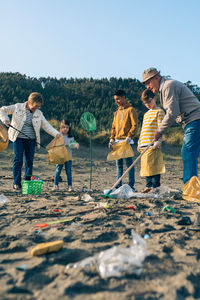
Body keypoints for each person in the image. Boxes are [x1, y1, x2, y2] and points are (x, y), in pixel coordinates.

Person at [142, 67, 200, 184]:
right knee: (191, 152)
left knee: (187, 152)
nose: (147, 86)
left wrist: (159, 131)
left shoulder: (168, 86)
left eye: (148, 82)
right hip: (192, 121)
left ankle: (190, 187)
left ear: (156, 77)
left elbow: (172, 112)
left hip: (195, 119)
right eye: (145, 84)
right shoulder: (165, 87)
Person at [0, 92, 60, 190]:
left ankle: (27, 184)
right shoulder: (17, 107)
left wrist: (58, 134)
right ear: (29, 102)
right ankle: (16, 183)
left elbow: (47, 126)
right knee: (18, 160)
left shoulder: (39, 114)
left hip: (31, 140)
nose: (36, 109)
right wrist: (5, 120)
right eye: (35, 106)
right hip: (18, 137)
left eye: (38, 107)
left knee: (29, 161)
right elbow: (2, 110)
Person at [109, 89, 138, 192]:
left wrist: (130, 136)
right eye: (115, 99)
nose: (116, 101)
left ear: (123, 97)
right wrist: (112, 138)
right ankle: (118, 185)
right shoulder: (116, 113)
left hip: (126, 141)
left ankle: (131, 185)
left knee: (129, 164)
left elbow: (135, 125)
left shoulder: (131, 110)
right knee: (119, 165)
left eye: (118, 99)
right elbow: (113, 127)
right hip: (117, 141)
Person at [138, 89, 165, 193]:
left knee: (154, 167)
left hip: (153, 143)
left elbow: (160, 128)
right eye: (145, 103)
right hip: (144, 144)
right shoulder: (146, 114)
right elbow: (143, 129)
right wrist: (139, 141)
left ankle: (155, 187)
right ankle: (148, 186)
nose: (147, 104)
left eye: (149, 101)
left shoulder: (159, 111)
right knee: (146, 167)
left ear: (154, 98)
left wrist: (158, 140)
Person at [53, 120, 79, 191]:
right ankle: (55, 185)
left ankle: (70, 186)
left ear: (69, 129)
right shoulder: (58, 136)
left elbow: (73, 144)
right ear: (61, 127)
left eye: (67, 127)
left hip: (68, 158)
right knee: (58, 171)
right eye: (63, 127)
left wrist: (76, 145)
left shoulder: (71, 137)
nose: (65, 129)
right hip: (59, 157)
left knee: (68, 172)